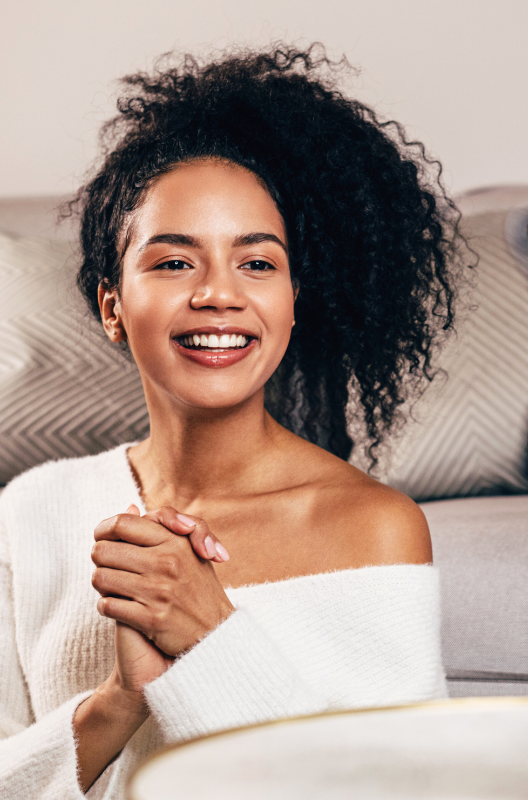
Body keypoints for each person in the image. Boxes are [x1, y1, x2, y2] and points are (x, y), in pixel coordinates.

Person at [0, 46, 463, 799]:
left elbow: (401, 789)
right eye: (175, 262)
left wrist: (209, 637)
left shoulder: (374, 527)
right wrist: (119, 703)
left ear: (292, 300)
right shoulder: (32, 511)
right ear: (111, 305)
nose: (220, 294)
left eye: (257, 263)